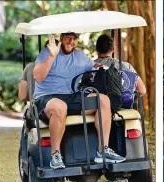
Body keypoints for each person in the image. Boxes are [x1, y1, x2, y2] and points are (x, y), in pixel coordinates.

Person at [33, 32, 125, 170]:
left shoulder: (80, 56)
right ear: (61, 37)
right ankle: (55, 155)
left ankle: (103, 150)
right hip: (47, 97)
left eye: (74, 39)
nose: (71, 41)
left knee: (103, 100)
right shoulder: (48, 52)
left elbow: (95, 65)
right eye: (68, 38)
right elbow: (38, 76)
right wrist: (52, 56)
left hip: (72, 97)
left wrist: (108, 69)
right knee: (60, 106)